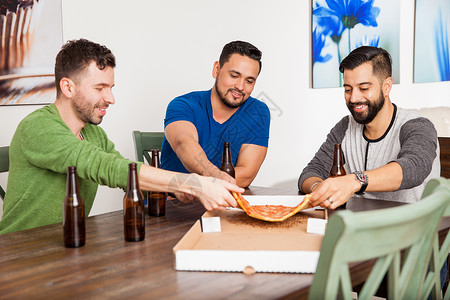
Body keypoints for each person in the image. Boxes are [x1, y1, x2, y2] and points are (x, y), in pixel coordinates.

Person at [0, 39, 243, 235]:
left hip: (70, 243)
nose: (111, 98)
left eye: (111, 88)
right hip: (18, 252)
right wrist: (193, 183)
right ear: (68, 88)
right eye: (99, 88)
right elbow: (106, 166)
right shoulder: (37, 127)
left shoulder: (94, 133)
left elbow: (127, 174)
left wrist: (179, 188)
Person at [298, 46, 440, 209]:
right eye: (348, 89)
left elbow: (414, 167)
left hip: (411, 228)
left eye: (364, 88)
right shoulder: (345, 127)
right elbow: (310, 173)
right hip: (357, 227)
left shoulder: (418, 125)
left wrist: (355, 181)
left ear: (386, 86)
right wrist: (321, 189)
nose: (354, 98)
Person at [161, 41, 271, 188]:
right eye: (234, 76)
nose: (240, 87)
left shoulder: (258, 112)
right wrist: (212, 179)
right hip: (174, 203)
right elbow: (184, 143)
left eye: (249, 81)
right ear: (216, 69)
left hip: (223, 203)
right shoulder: (183, 105)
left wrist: (208, 185)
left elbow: (246, 175)